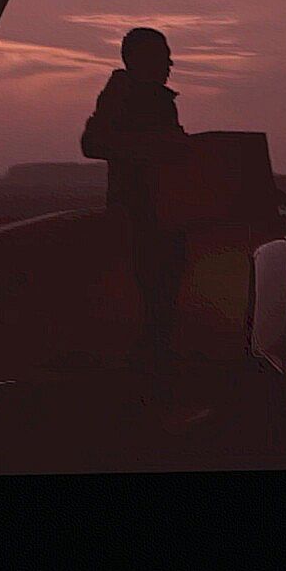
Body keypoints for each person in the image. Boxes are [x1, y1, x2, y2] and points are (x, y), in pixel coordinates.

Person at [80, 27, 191, 375]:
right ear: (141, 60)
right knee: (147, 290)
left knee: (163, 290)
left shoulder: (155, 99)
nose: (170, 64)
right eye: (163, 57)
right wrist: (152, 147)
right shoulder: (122, 95)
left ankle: (156, 359)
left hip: (164, 212)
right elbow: (93, 143)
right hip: (138, 215)